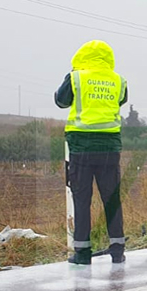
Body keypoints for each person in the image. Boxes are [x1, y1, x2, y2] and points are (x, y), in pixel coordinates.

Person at [54, 40, 128, 264]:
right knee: (112, 200)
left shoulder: (76, 77)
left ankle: (83, 253)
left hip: (81, 148)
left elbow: (60, 101)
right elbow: (121, 100)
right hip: (109, 148)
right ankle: (117, 250)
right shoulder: (118, 80)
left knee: (82, 199)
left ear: (81, 57)